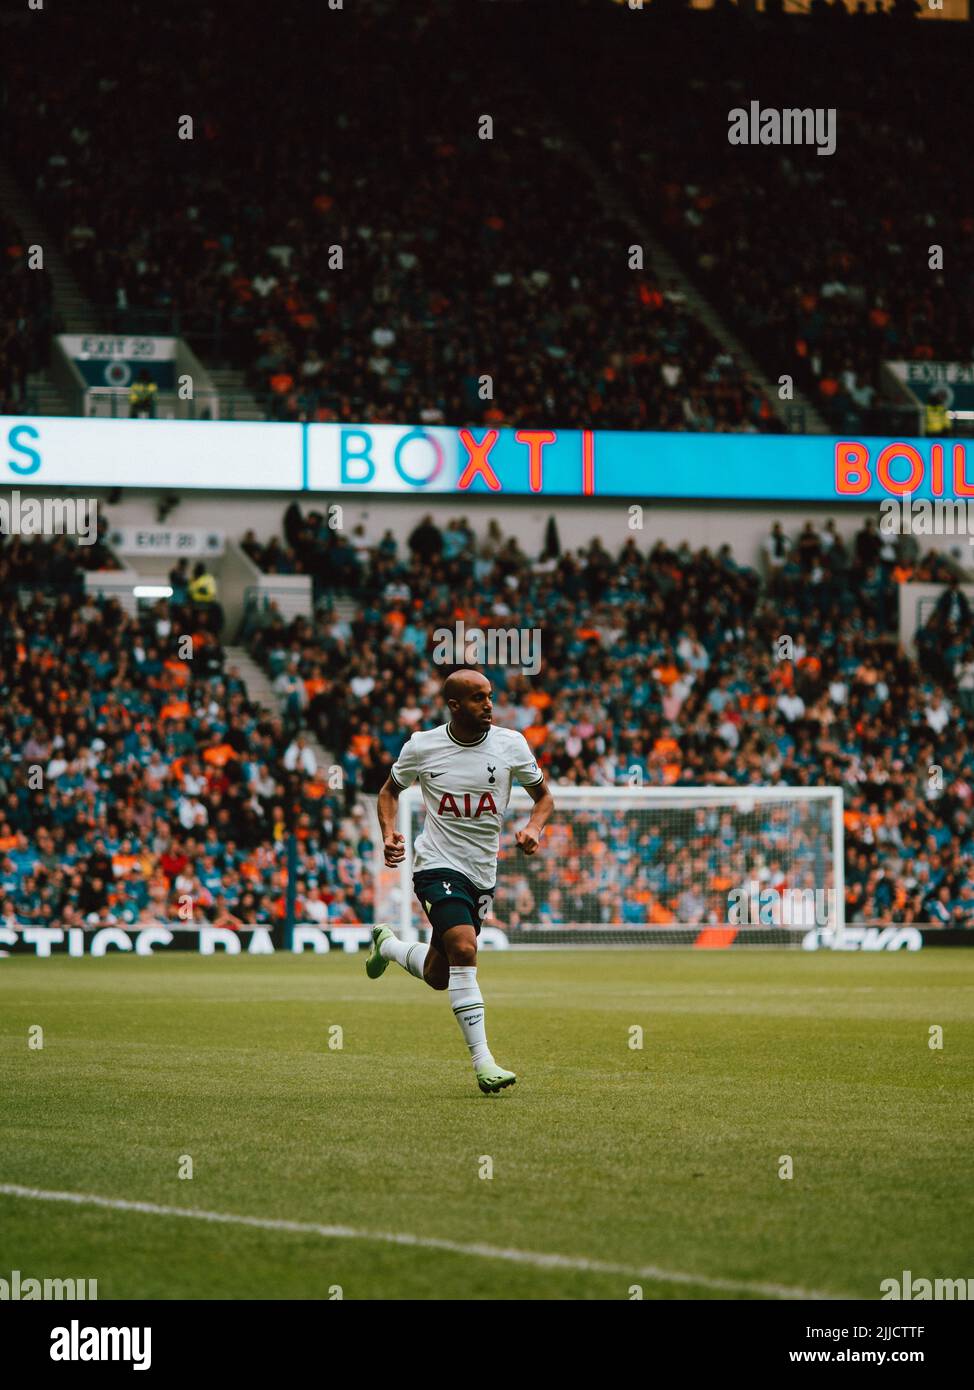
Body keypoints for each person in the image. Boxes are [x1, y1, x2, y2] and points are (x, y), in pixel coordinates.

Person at [369, 669, 554, 1094]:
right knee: (465, 948)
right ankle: (483, 1062)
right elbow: (388, 791)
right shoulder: (423, 746)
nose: (488, 704)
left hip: (481, 872)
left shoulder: (511, 745)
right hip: (436, 865)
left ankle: (389, 946)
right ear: (454, 706)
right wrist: (389, 833)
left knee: (439, 974)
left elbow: (544, 797)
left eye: (489, 696)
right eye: (476, 698)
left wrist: (534, 829)